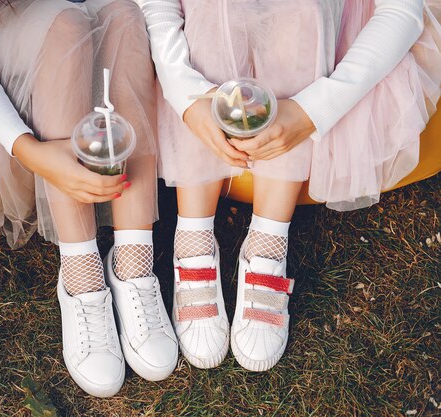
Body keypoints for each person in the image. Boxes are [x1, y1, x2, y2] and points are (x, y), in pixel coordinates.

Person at [136, 0, 441, 371]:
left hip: (325, 48)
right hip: (203, 48)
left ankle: (269, 239)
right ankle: (193, 234)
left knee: (301, 9)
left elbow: (403, 11)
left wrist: (311, 111)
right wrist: (187, 97)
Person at [0, 0, 178, 397]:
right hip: (5, 23)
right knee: (66, 24)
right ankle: (81, 273)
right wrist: (29, 150)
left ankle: (134, 262)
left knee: (124, 15)